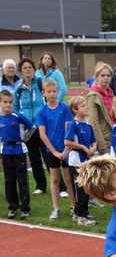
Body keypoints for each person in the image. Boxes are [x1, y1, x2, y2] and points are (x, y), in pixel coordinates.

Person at [36, 79, 75, 220]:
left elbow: (68, 129)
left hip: (65, 149)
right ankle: (56, 208)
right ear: (43, 93)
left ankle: (73, 206)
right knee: (54, 178)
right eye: (49, 92)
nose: (52, 94)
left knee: (69, 178)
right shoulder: (42, 111)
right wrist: (54, 152)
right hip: (51, 151)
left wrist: (65, 149)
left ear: (58, 92)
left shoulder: (64, 108)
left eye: (54, 91)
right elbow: (42, 134)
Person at [13, 57, 50, 195]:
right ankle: (41, 185)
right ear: (21, 71)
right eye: (24, 68)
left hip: (41, 126)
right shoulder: (19, 89)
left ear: (34, 69)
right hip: (28, 128)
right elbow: (15, 107)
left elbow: (48, 102)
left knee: (48, 156)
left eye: (30, 67)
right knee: (34, 158)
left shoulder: (40, 83)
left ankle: (61, 187)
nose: (28, 70)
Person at [0, 89, 34, 219]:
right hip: (6, 151)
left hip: (19, 150)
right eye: (5, 102)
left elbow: (31, 127)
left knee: (22, 179)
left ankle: (25, 207)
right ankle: (12, 206)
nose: (8, 105)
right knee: (9, 180)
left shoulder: (17, 116)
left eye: (10, 102)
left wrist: (23, 139)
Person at [64, 96, 98, 226]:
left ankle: (82, 212)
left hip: (86, 159)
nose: (86, 108)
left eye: (85, 105)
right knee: (80, 189)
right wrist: (83, 147)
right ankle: (80, 215)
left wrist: (93, 148)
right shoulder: (73, 124)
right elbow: (67, 141)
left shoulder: (88, 125)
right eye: (83, 106)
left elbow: (93, 141)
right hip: (76, 160)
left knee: (86, 188)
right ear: (75, 109)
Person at [86, 62, 115, 154]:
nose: (106, 78)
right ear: (96, 77)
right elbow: (93, 121)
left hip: (115, 135)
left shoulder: (111, 93)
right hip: (105, 139)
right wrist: (101, 144)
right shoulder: (93, 96)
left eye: (108, 75)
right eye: (102, 75)